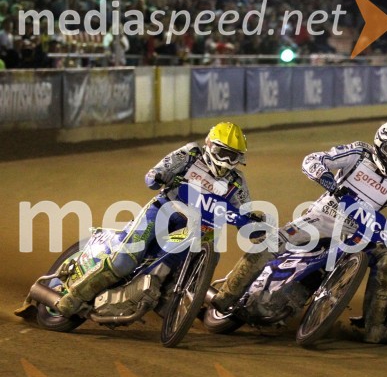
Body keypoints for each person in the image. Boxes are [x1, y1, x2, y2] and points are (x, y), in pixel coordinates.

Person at [212, 120, 387, 344]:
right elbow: (313, 160)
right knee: (271, 242)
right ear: (379, 144)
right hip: (323, 216)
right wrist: (328, 180)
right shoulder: (359, 153)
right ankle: (227, 295)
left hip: (362, 231)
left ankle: (374, 328)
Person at [56, 122, 250, 316]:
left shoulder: (237, 183)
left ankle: (176, 294)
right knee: (124, 261)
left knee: (206, 255)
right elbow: (154, 173)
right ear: (209, 144)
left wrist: (252, 221)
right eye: (221, 152)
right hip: (164, 210)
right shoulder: (190, 155)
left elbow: (246, 212)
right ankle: (74, 297)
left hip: (196, 230)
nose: (225, 160)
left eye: (232, 155)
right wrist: (158, 177)